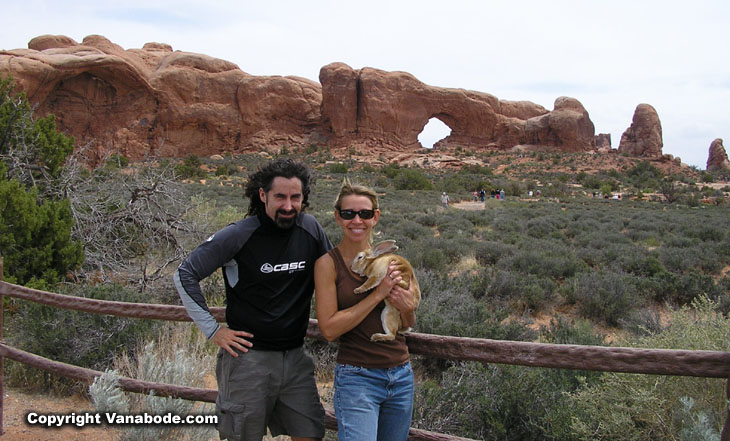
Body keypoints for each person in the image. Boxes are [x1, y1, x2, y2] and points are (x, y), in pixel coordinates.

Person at [174, 159, 332, 441]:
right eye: (280, 197)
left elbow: (336, 275)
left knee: (310, 433)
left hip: (296, 360)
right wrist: (213, 331)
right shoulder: (239, 234)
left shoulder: (310, 230)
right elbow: (185, 274)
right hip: (248, 362)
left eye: (295, 197)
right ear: (263, 195)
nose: (288, 206)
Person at [314, 180, 418, 441]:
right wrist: (378, 294)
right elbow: (328, 329)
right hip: (358, 377)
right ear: (338, 217)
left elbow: (406, 322)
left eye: (365, 214)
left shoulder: (391, 262)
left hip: (400, 373)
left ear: (376, 217)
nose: (356, 220)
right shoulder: (328, 264)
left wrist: (407, 308)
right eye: (349, 214)